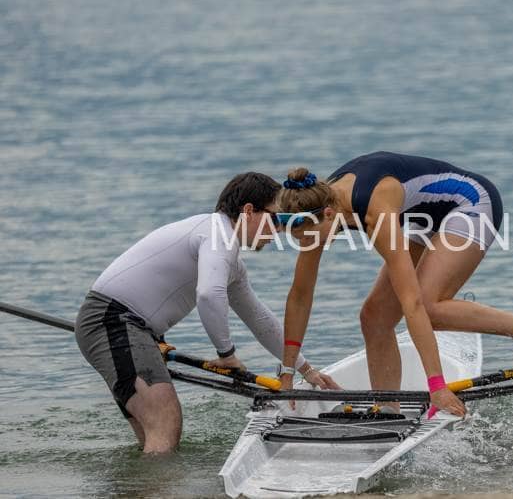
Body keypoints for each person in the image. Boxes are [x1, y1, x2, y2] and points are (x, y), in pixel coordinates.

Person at [274, 151, 513, 417]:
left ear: (328, 214)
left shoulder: (375, 212)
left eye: (308, 237)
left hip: (469, 202)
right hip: (422, 214)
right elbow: (300, 296)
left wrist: (437, 386)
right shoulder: (312, 209)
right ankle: (387, 409)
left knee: (429, 307)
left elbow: (413, 302)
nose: (307, 244)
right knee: (374, 317)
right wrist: (288, 371)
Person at [75, 172, 339, 453]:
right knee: (165, 421)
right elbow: (208, 294)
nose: (279, 230)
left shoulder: (225, 253)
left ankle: (146, 480)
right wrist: (227, 355)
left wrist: (305, 369)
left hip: (128, 328)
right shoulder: (217, 234)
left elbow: (259, 319)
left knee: (153, 434)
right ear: (249, 211)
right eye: (275, 218)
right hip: (112, 321)